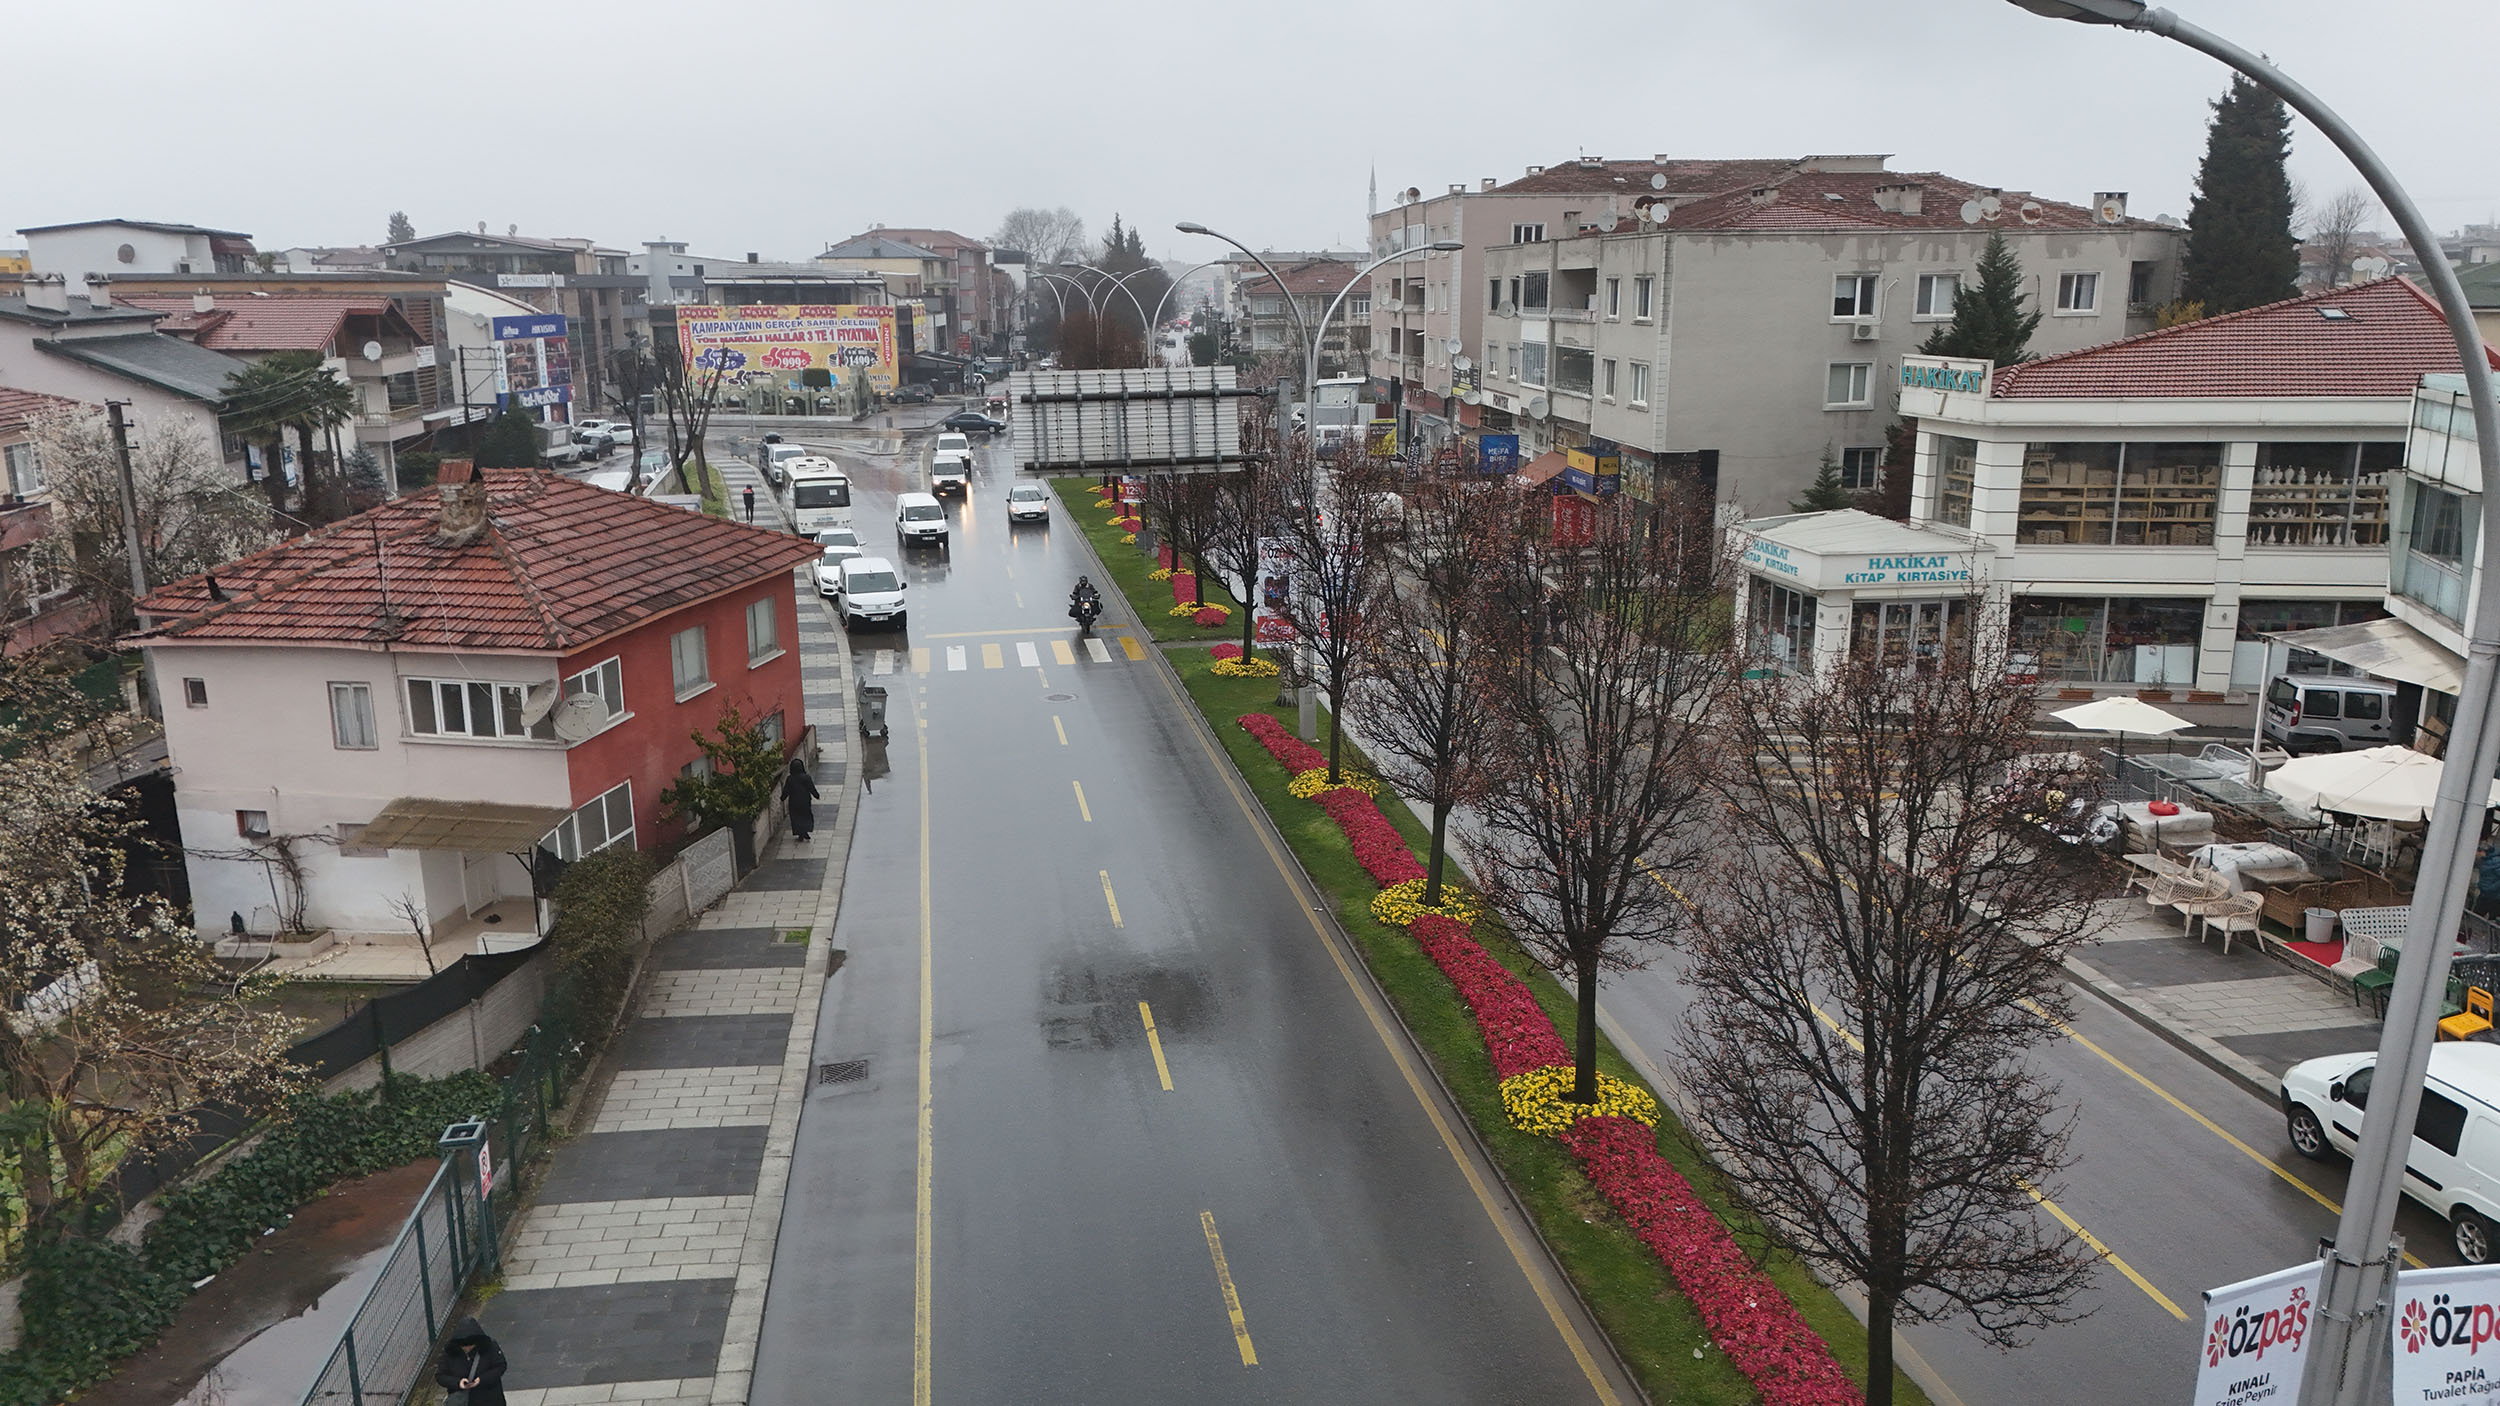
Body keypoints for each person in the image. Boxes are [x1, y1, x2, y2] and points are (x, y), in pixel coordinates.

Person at [434, 1318, 507, 1406]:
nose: (467, 1349)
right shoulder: (449, 1352)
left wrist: (482, 1379)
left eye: (471, 1345)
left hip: (490, 1400)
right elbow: (440, 1375)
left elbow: (500, 1366)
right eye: (463, 1346)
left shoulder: (490, 1346)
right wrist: (458, 1383)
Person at [783, 756, 820, 842]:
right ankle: (805, 831)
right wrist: (816, 795)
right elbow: (811, 788)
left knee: (796, 817)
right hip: (805, 801)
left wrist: (782, 797)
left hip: (794, 802)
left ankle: (800, 833)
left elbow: (786, 790)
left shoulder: (790, 779)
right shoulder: (807, 777)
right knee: (805, 816)